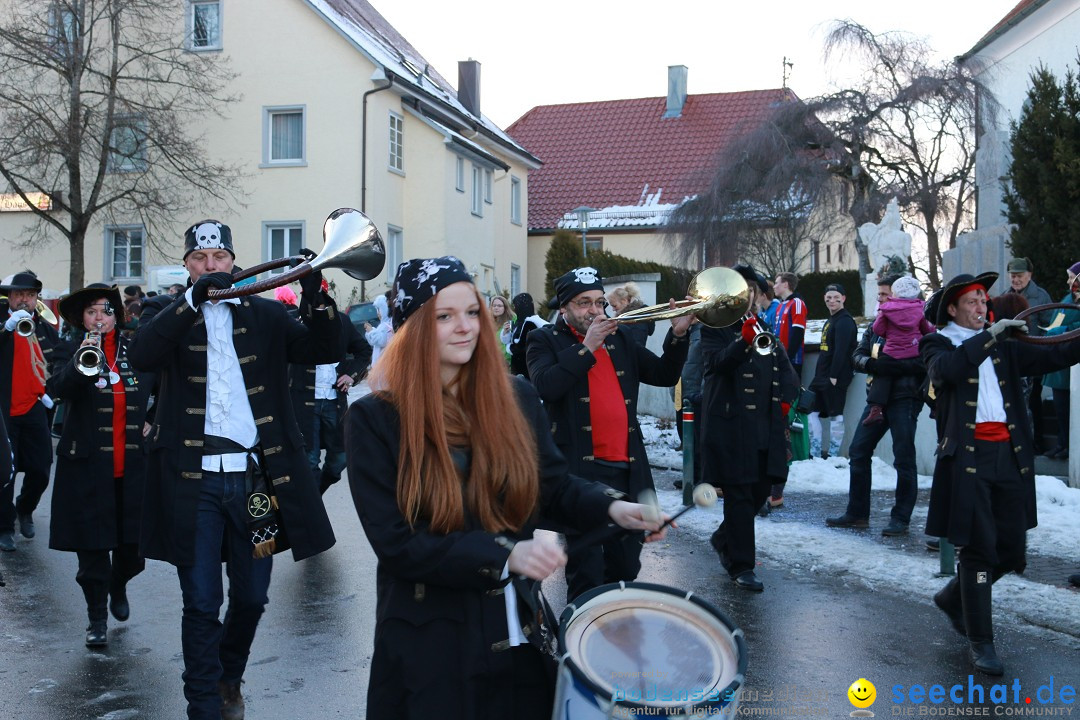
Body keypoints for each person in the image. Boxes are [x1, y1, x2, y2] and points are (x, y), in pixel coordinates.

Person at [344, 256, 666, 719]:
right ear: (412, 327)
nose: (465, 327)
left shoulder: (516, 397)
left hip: (515, 634)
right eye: (444, 316)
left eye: (472, 312)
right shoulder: (375, 420)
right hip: (428, 645)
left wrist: (613, 508)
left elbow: (551, 486)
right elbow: (397, 543)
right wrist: (504, 554)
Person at [129, 220, 339, 720]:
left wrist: (317, 290)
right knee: (201, 601)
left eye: (219, 257)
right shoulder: (167, 312)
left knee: (252, 595)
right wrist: (190, 302)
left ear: (233, 262)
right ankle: (202, 703)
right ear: (187, 266)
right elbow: (142, 354)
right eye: (200, 259)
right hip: (193, 484)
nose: (210, 266)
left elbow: (325, 348)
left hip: (254, 483)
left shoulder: (266, 313)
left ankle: (228, 675)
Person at [921, 271, 1080, 676]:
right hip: (968, 461)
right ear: (953, 309)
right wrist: (990, 335)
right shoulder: (938, 343)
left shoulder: (1002, 346)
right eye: (971, 301)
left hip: (1009, 457)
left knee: (1011, 552)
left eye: (982, 300)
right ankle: (982, 642)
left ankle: (955, 597)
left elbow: (1054, 354)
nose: (980, 306)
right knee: (978, 552)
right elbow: (947, 372)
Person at [527, 266, 690, 601]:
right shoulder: (543, 339)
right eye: (584, 303)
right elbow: (546, 385)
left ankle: (614, 640)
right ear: (564, 308)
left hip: (627, 468)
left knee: (626, 568)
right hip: (579, 473)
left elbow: (663, 374)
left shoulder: (621, 338)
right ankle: (578, 646)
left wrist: (678, 336)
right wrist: (587, 347)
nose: (595, 310)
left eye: (600, 302)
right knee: (586, 572)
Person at [47, 285, 154, 647]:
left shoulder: (136, 350)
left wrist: (152, 418)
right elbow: (58, 388)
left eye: (105, 312)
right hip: (87, 468)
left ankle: (119, 582)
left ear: (116, 316)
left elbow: (163, 387)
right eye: (92, 313)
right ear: (82, 319)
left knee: (133, 553)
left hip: (134, 468)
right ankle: (96, 620)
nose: (99, 319)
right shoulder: (70, 349)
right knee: (92, 554)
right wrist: (83, 359)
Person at [702, 264, 799, 592]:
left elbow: (781, 363)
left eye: (752, 292)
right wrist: (741, 342)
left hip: (765, 424)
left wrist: (788, 395)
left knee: (760, 490)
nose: (748, 298)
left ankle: (723, 537)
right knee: (741, 494)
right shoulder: (715, 325)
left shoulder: (761, 324)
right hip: (732, 424)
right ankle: (741, 565)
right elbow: (715, 365)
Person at [826, 275, 926, 536]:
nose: (880, 299)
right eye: (880, 295)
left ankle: (901, 518)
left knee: (903, 457)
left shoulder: (916, 319)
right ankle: (857, 513)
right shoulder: (877, 324)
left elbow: (929, 357)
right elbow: (857, 355)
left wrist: (901, 366)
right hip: (876, 400)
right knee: (858, 450)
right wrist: (872, 365)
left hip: (906, 397)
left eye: (885, 294)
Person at [0, 270, 61, 552]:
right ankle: (4, 525)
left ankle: (25, 508)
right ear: (9, 297)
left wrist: (52, 393)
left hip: (34, 406)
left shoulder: (45, 327)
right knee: (5, 471)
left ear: (36, 298)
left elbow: (60, 360)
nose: (23, 300)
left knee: (41, 469)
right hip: (3, 410)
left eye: (29, 295)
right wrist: (7, 329)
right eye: (18, 294)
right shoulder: (5, 323)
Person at [289, 295, 371, 494]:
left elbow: (363, 351)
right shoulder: (295, 322)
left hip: (335, 401)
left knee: (340, 460)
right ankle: (314, 508)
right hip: (304, 401)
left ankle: (315, 497)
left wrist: (351, 375)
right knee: (310, 460)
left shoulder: (342, 322)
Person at [862, 276, 935, 426]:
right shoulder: (920, 308)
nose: (880, 298)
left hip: (892, 353)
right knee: (930, 370)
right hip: (914, 350)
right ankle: (935, 405)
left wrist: (888, 333)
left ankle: (876, 408)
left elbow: (878, 329)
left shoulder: (887, 309)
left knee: (882, 374)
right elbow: (927, 329)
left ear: (893, 293)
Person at [1006, 257, 1053, 452]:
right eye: (1013, 276)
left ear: (1029, 275)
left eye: (1019, 276)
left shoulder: (1040, 296)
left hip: (1034, 356)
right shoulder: (1005, 296)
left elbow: (1050, 326)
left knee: (1033, 400)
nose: (1016, 280)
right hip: (1012, 358)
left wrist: (1041, 347)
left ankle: (1037, 442)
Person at [809, 283, 858, 462]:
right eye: (828, 297)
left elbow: (842, 351)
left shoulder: (845, 321)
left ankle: (833, 456)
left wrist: (834, 376)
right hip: (821, 376)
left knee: (836, 413)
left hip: (835, 376)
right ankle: (814, 453)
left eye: (836, 297)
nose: (832, 301)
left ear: (843, 298)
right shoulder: (831, 320)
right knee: (811, 411)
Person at [1039, 261, 1080, 460]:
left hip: (1072, 360)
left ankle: (1069, 445)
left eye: (1072, 277)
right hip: (1059, 360)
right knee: (1060, 409)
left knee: (1071, 411)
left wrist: (1062, 330)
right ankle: (1062, 443)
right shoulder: (1068, 298)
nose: (1068, 281)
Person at [770, 272, 807, 381]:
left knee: (791, 395)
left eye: (776, 283)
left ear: (785, 284)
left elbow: (798, 333)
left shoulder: (797, 303)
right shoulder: (780, 305)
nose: (774, 286)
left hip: (792, 361)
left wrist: (787, 357)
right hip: (780, 358)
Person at [507, 292, 547, 378]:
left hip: (527, 367)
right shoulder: (520, 321)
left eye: (516, 306)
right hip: (520, 366)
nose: (514, 309)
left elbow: (522, 345)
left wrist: (510, 347)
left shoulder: (530, 322)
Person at [607, 281, 655, 347]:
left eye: (614, 306)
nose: (613, 309)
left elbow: (635, 347)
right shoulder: (631, 317)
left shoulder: (635, 319)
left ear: (624, 301)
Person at [364, 293, 394, 370]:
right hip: (378, 365)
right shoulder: (382, 325)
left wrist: (371, 331)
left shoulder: (389, 324)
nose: (378, 313)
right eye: (377, 310)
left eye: (379, 309)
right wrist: (370, 331)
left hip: (384, 366)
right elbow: (373, 342)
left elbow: (382, 340)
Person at [489, 294, 514, 365]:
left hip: (507, 361)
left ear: (505, 308)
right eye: (494, 306)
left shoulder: (512, 319)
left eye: (499, 306)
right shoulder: (487, 321)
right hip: (492, 360)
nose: (496, 308)